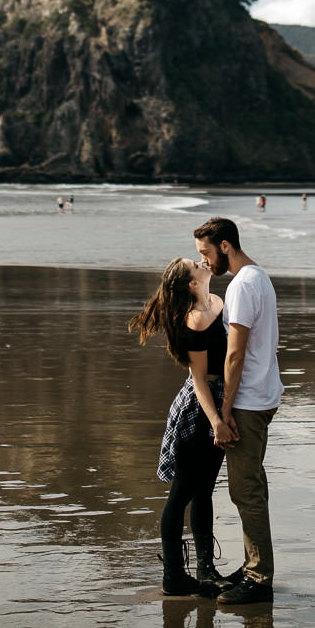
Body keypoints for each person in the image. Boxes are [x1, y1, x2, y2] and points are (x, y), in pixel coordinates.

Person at [129, 256, 232, 598]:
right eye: (196, 264)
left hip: (219, 400)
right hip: (200, 408)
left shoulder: (217, 301)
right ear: (192, 283)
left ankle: (206, 570)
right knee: (181, 494)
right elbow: (199, 380)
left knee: (205, 488)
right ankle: (173, 575)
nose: (204, 261)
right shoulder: (197, 318)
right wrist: (216, 420)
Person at [193, 216, 282, 605]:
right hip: (261, 393)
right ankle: (252, 566)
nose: (205, 261)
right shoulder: (257, 276)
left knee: (246, 491)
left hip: (248, 400)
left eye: (206, 253)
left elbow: (235, 352)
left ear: (225, 246)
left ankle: (259, 579)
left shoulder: (242, 286)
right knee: (249, 487)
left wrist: (225, 409)